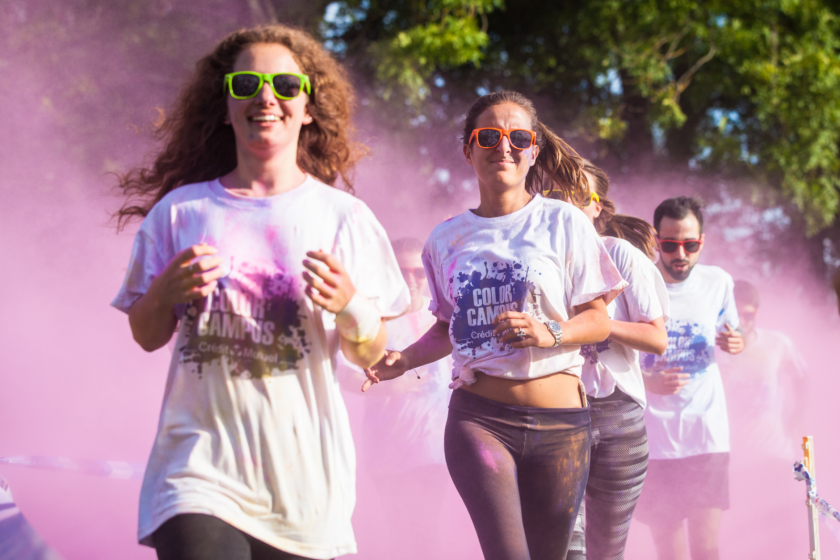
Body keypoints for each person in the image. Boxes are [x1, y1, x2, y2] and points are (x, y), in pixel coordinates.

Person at [111, 25, 409, 560]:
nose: (265, 97)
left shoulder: (345, 218)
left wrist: (351, 306)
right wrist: (163, 294)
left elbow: (368, 352)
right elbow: (145, 334)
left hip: (304, 489)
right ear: (225, 106)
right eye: (246, 84)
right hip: (196, 473)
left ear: (309, 107)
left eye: (284, 86)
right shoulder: (180, 212)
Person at [364, 91, 627, 560]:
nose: (503, 146)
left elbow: (598, 320)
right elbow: (449, 328)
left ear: (533, 152)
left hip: (562, 427)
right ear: (468, 150)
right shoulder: (444, 239)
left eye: (517, 137)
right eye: (488, 136)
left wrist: (551, 333)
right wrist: (402, 360)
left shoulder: (564, 221)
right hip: (479, 422)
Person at [558, 163, 669, 560]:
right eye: (556, 195)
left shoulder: (619, 253)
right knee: (565, 551)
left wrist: (597, 325)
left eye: (577, 195)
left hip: (617, 418)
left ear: (597, 207)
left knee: (606, 553)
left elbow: (656, 338)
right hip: (558, 415)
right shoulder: (542, 259)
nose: (566, 204)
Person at [634, 196, 744, 560]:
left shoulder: (719, 282)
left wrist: (737, 342)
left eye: (690, 244)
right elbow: (607, 355)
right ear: (655, 241)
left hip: (706, 434)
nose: (680, 253)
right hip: (654, 440)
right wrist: (647, 382)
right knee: (669, 551)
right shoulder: (637, 284)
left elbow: (737, 336)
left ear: (702, 241)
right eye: (669, 244)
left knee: (707, 548)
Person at [338, 237, 453, 559]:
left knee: (426, 528)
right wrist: (387, 387)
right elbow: (343, 373)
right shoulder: (374, 320)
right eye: (403, 271)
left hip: (435, 449)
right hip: (387, 448)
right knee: (399, 534)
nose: (413, 279)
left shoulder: (443, 316)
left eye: (419, 271)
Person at [717, 280, 807, 558]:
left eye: (749, 314)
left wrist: (794, 423)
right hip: (732, 462)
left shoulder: (777, 344)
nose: (743, 321)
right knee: (741, 540)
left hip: (776, 456)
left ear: (757, 312)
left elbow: (802, 379)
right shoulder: (714, 350)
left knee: (782, 538)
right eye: (736, 313)